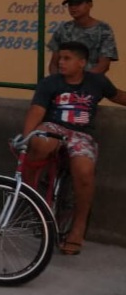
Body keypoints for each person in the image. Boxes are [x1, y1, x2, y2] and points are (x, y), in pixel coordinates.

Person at [22, 41, 126, 255]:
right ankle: (29, 194)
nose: (60, 62)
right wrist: (26, 138)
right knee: (40, 141)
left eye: (67, 58)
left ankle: (78, 228)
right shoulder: (50, 83)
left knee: (85, 171)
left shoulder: (97, 82)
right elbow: (36, 111)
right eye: (60, 58)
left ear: (82, 63)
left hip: (81, 133)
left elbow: (118, 96)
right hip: (54, 126)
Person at [48, 0, 118, 75]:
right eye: (70, 4)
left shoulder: (103, 30)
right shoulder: (64, 29)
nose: (73, 7)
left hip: (92, 81)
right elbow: (54, 63)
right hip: (64, 81)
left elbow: (104, 65)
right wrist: (57, 81)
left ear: (90, 4)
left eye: (78, 3)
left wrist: (82, 81)